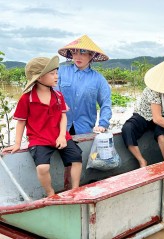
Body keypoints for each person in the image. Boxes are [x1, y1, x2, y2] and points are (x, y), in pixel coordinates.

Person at [2, 56, 82, 197]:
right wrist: (17, 143)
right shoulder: (27, 98)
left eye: (57, 72)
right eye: (52, 73)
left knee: (76, 158)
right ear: (39, 78)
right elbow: (21, 122)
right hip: (39, 138)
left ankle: (75, 189)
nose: (56, 76)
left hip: (59, 135)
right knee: (43, 167)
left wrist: (62, 135)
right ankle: (51, 193)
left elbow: (63, 116)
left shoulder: (58, 95)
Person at [122, 59, 164, 167]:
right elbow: (157, 119)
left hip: (162, 114)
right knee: (127, 129)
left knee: (161, 134)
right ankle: (141, 160)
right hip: (144, 114)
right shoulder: (153, 90)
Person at [57, 35, 112, 135]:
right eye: (74, 52)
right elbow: (52, 95)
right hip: (60, 127)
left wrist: (103, 124)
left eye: (82, 53)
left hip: (84, 128)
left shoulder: (99, 79)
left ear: (91, 55)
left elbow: (105, 103)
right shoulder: (61, 72)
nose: (78, 57)